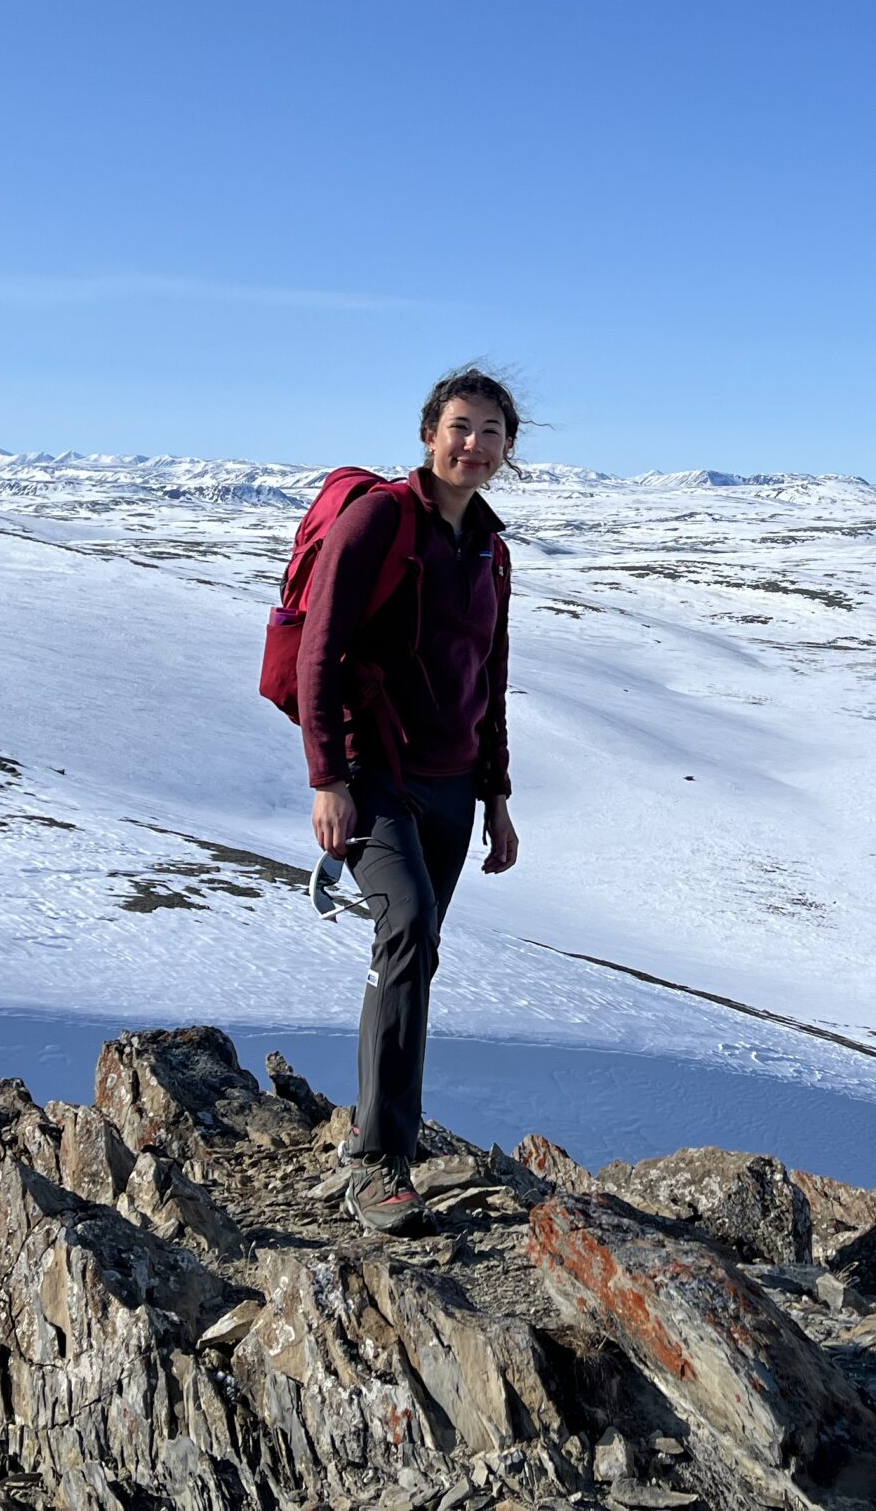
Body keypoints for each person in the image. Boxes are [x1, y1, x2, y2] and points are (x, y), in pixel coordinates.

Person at [295, 366, 521, 1235]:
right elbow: (320, 651)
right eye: (461, 426)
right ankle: (382, 1163)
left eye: (492, 430)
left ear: (508, 446)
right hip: (375, 774)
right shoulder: (380, 520)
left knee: (412, 954)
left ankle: (377, 1134)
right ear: (430, 432)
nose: (475, 444)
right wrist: (328, 779)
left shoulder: (490, 551)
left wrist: (496, 799)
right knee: (408, 927)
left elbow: (490, 683)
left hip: (454, 785)